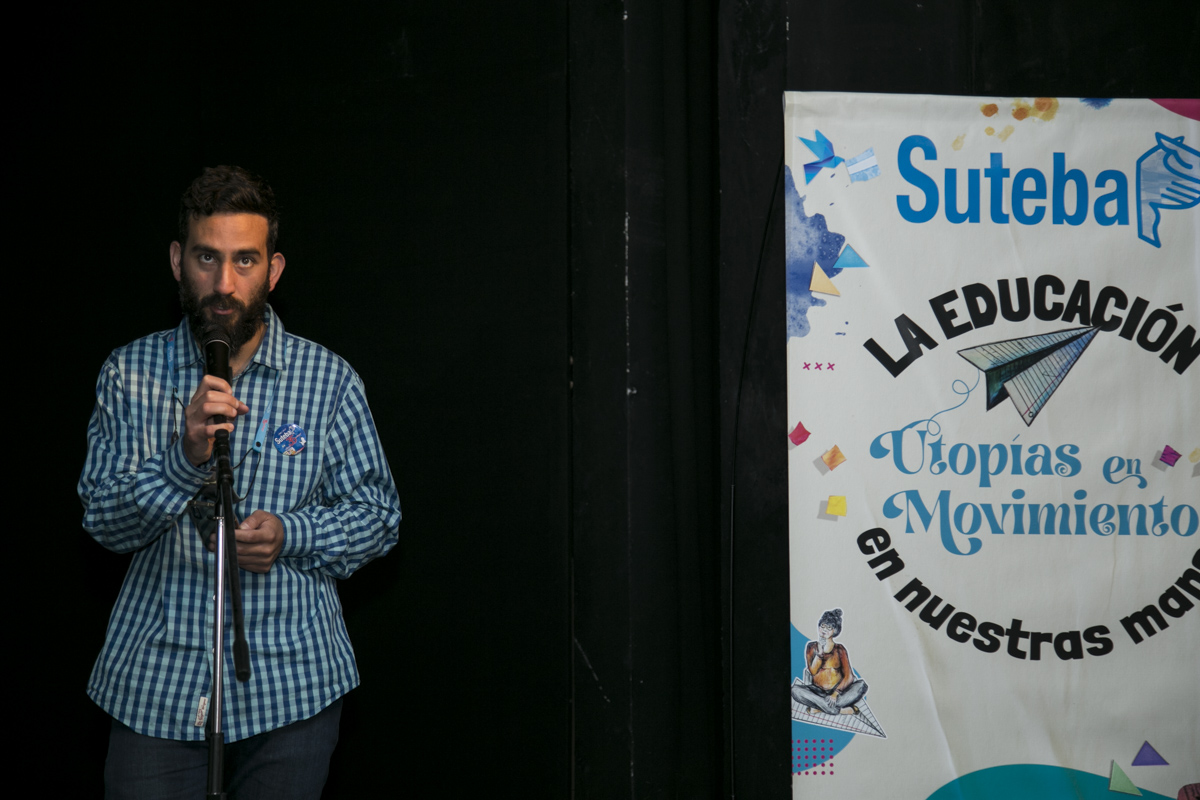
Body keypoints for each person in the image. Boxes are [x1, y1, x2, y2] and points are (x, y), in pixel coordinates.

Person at [78, 165, 402, 799]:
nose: (224, 284)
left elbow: (379, 516)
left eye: (244, 260)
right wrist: (182, 458)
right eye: (207, 257)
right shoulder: (129, 373)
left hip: (292, 687)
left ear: (273, 270)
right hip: (156, 687)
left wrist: (290, 534)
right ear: (178, 261)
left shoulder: (329, 381)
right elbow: (103, 522)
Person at [791, 608, 868, 716]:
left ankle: (819, 708)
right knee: (795, 690)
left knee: (862, 685)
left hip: (838, 693)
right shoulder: (811, 647)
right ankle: (839, 710)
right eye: (822, 626)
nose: (824, 630)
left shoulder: (840, 649)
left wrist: (835, 693)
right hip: (817, 692)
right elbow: (813, 671)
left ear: (835, 631)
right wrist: (819, 654)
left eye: (829, 628)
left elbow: (849, 676)